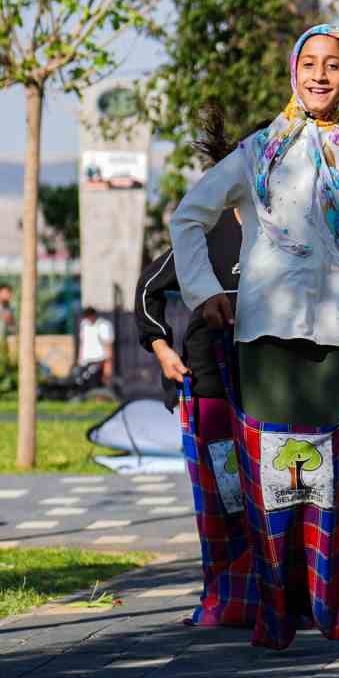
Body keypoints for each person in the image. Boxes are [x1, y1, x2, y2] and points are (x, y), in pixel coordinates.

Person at [169, 23, 339, 650]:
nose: (320, 74)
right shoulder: (259, 151)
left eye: (333, 64)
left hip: (337, 339)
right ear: (293, 72)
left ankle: (329, 603)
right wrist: (204, 292)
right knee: (270, 481)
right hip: (264, 338)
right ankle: (274, 612)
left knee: (330, 481)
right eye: (310, 63)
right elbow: (189, 216)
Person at [134, 112, 254, 628]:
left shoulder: (300, 236)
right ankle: (224, 599)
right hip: (211, 391)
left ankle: (280, 595)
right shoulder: (204, 233)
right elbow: (147, 292)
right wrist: (162, 349)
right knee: (225, 503)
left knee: (283, 499)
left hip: (277, 393)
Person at [76, 306, 114, 386]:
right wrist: (80, 359)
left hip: (99, 361)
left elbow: (108, 345)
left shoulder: (104, 325)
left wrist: (108, 366)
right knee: (82, 383)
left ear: (94, 315)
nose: (88, 319)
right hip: (86, 361)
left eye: (89, 316)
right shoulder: (84, 324)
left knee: (96, 384)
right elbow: (82, 342)